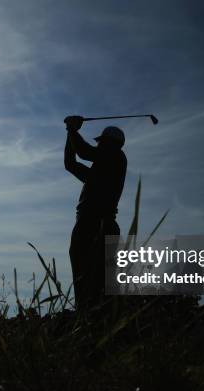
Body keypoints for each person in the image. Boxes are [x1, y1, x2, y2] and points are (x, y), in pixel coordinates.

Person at [63, 115, 127, 310]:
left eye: (102, 143)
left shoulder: (116, 156)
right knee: (89, 277)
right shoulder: (98, 173)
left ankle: (94, 319)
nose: (99, 146)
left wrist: (74, 130)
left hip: (97, 223)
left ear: (111, 144)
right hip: (93, 223)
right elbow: (70, 164)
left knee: (95, 278)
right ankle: (87, 317)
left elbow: (83, 152)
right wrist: (70, 132)